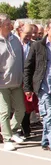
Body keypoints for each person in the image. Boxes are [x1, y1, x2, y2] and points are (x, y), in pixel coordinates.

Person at [23, 19, 51, 157]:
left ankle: (45, 140)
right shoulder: (37, 46)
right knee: (49, 115)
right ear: (47, 30)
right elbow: (28, 67)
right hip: (43, 87)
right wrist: (27, 86)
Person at [0, 14, 26, 151]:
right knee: (4, 112)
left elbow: (21, 59)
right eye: (7, 23)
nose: (10, 25)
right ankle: (7, 138)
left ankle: (14, 129)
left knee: (21, 110)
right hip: (2, 85)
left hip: (17, 83)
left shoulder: (15, 39)